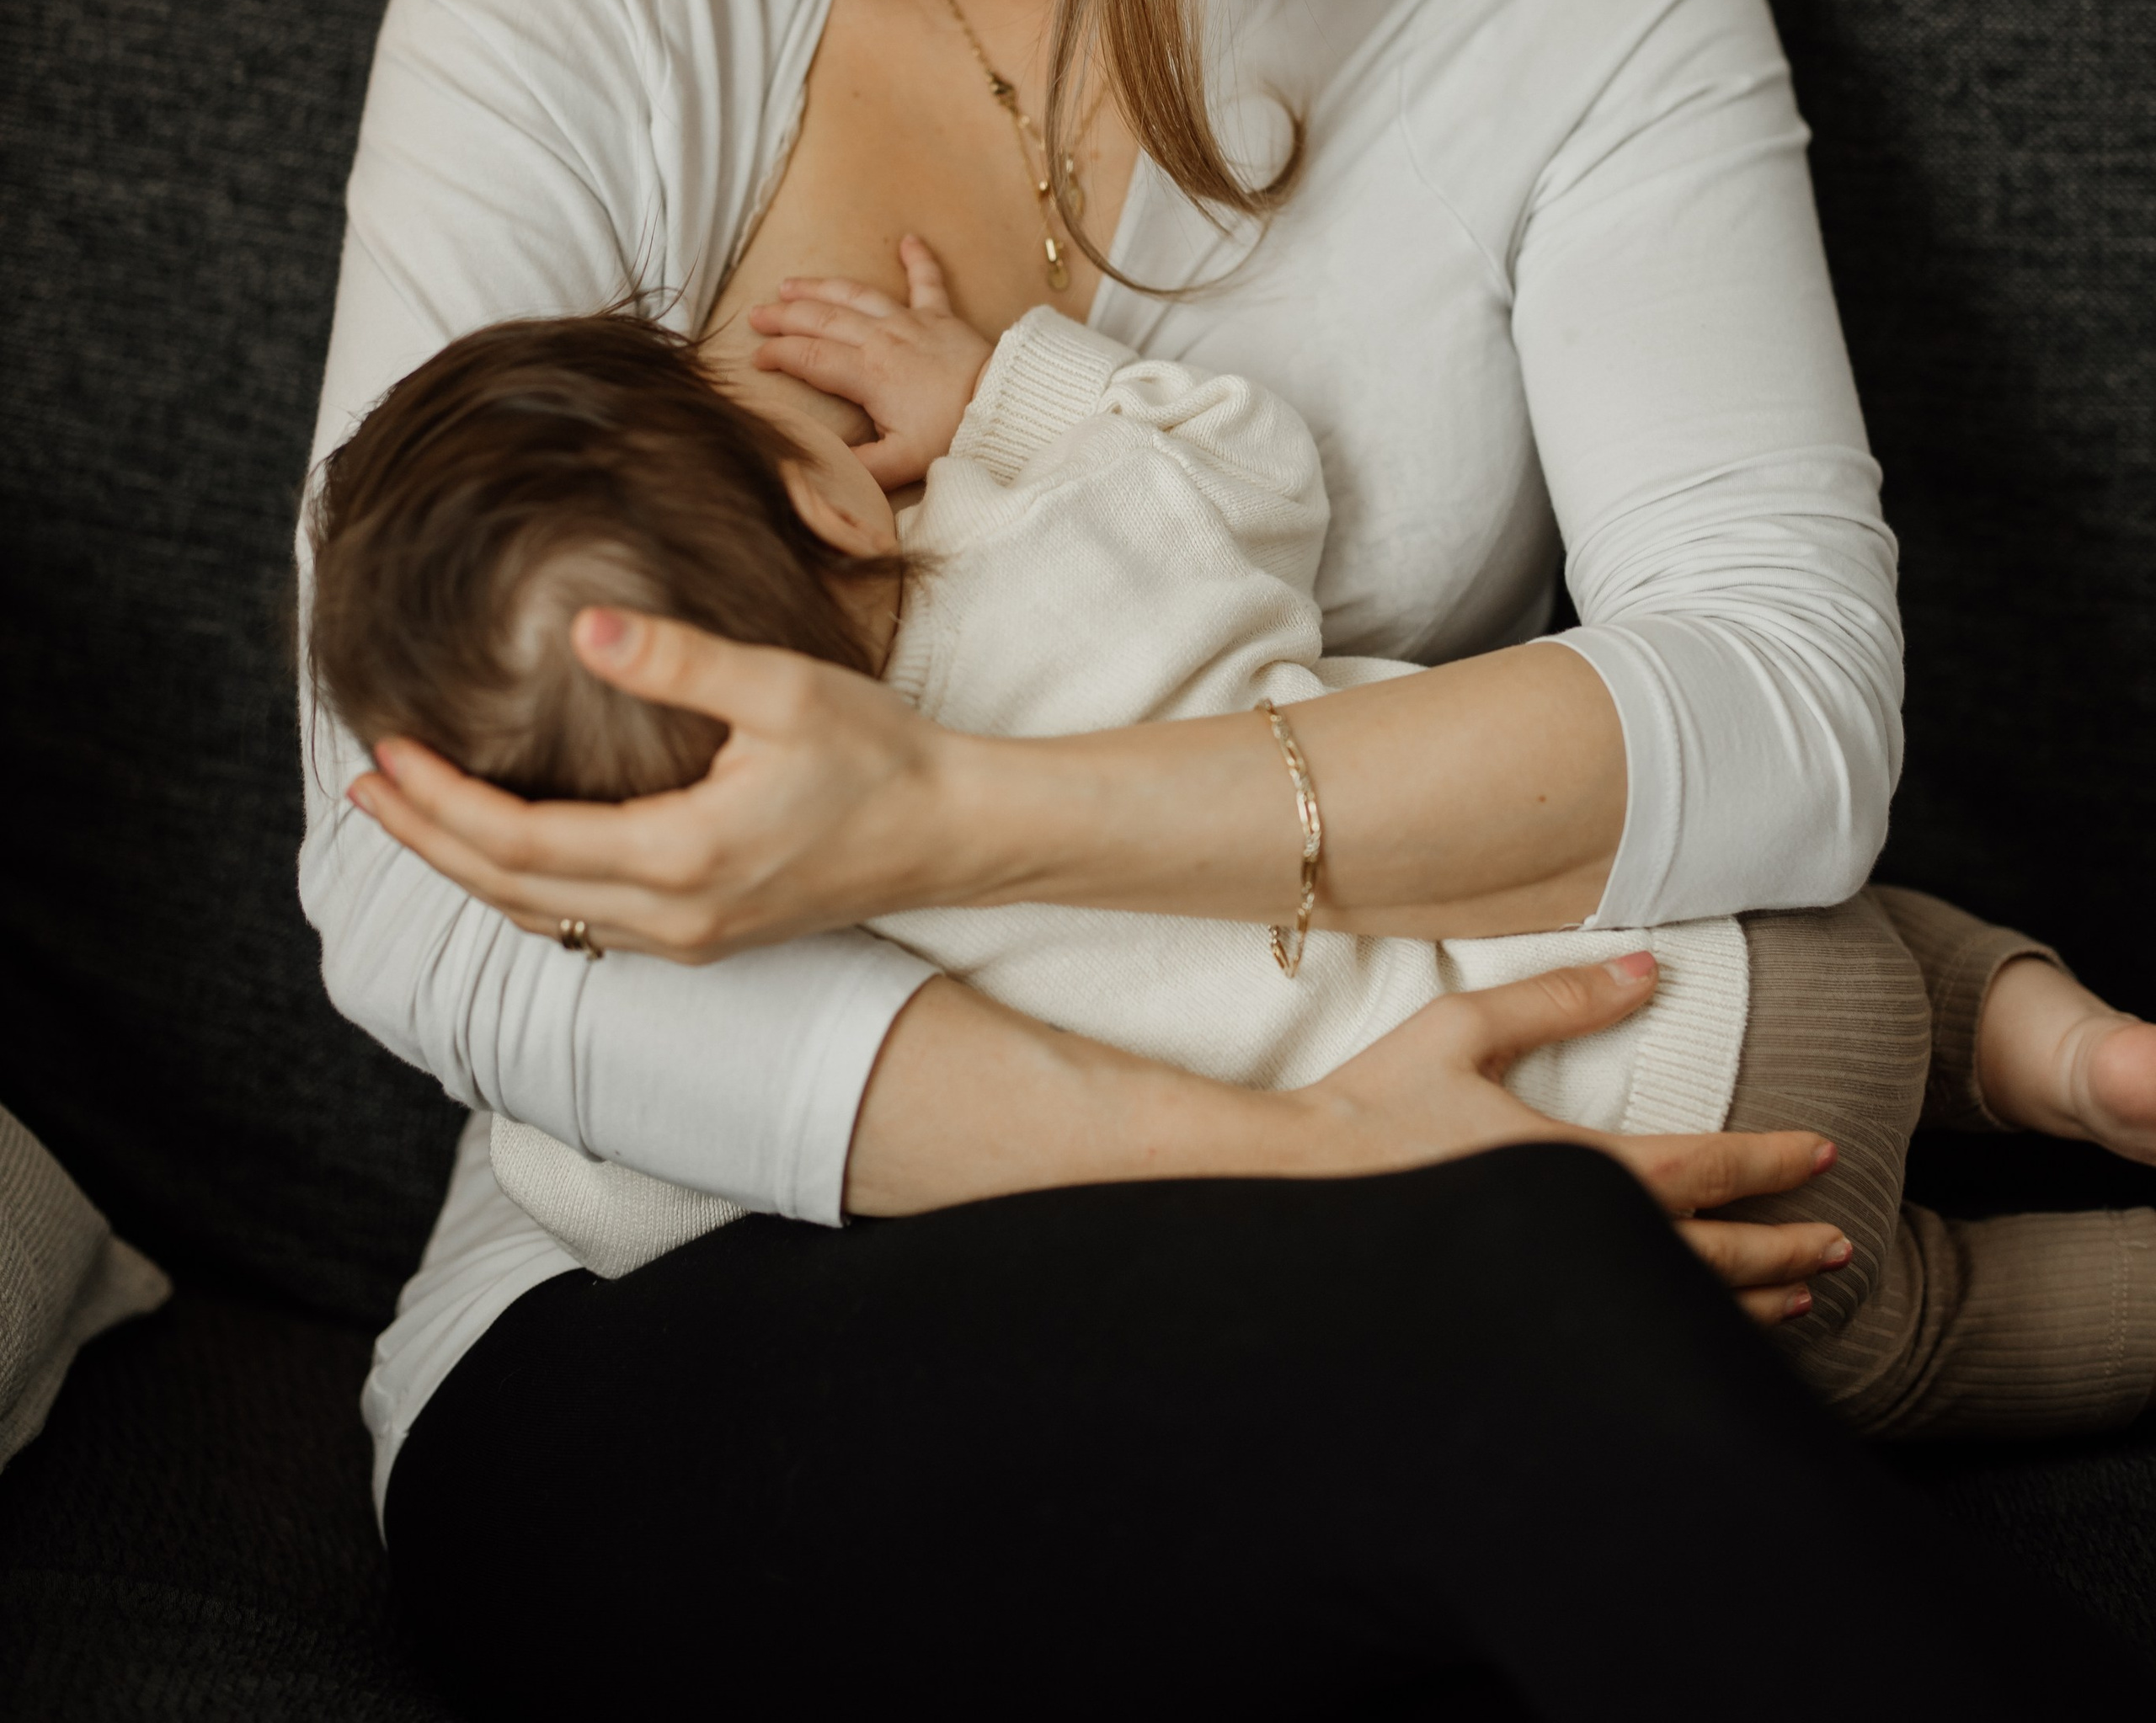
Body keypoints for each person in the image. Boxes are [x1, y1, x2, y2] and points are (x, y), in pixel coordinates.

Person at [300, 0, 2131, 1715]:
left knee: (1527, 1358)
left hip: (1394, 1311)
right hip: (677, 1338)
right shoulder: (575, 5)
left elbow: (1774, 716)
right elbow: (404, 879)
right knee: (1511, 1290)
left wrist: (963, 802)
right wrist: (1290, 1161)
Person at [308, 257, 2156, 1440]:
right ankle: (2066, 1059)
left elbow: (620, 1194)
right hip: (1705, 945)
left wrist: (569, 944)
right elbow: (1247, 466)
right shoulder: (1055, 546)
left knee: (1944, 1329)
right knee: (1897, 953)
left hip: (1633, 1216)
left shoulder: (724, 967)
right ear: (814, 488)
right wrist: (1009, 396)